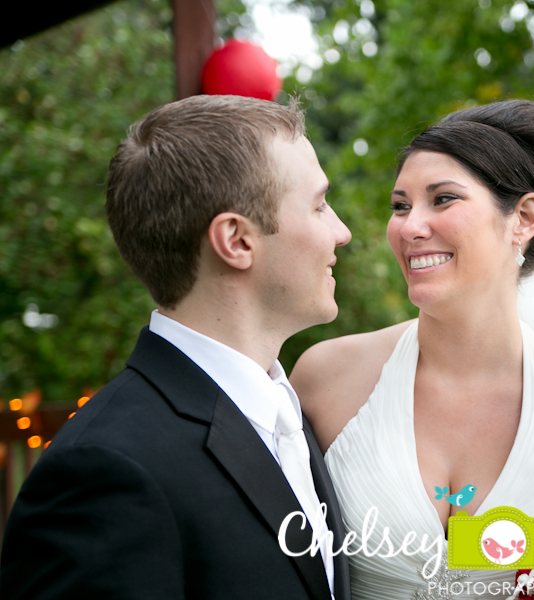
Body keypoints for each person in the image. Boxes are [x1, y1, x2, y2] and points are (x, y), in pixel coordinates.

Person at [290, 100, 534, 600]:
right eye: (400, 205)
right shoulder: (326, 380)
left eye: (443, 200)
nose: (410, 226)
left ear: (523, 218)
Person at [0, 95, 352, 600]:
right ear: (236, 240)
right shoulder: (106, 472)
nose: (341, 232)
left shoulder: (291, 412)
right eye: (319, 205)